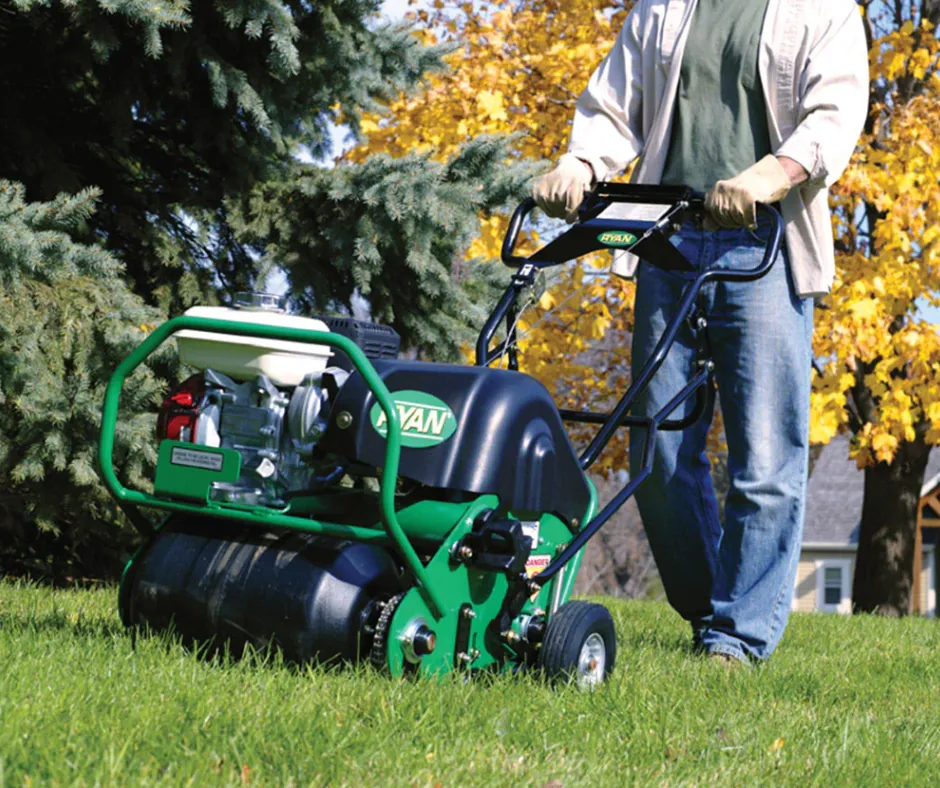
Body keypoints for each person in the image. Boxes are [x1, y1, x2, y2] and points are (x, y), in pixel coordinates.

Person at [532, 0, 869, 663]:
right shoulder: (663, 8)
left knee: (766, 457)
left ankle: (737, 639)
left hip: (763, 242)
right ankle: (709, 606)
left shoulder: (823, 10)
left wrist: (769, 175)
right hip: (669, 241)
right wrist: (581, 164)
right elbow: (613, 106)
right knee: (655, 452)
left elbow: (833, 116)